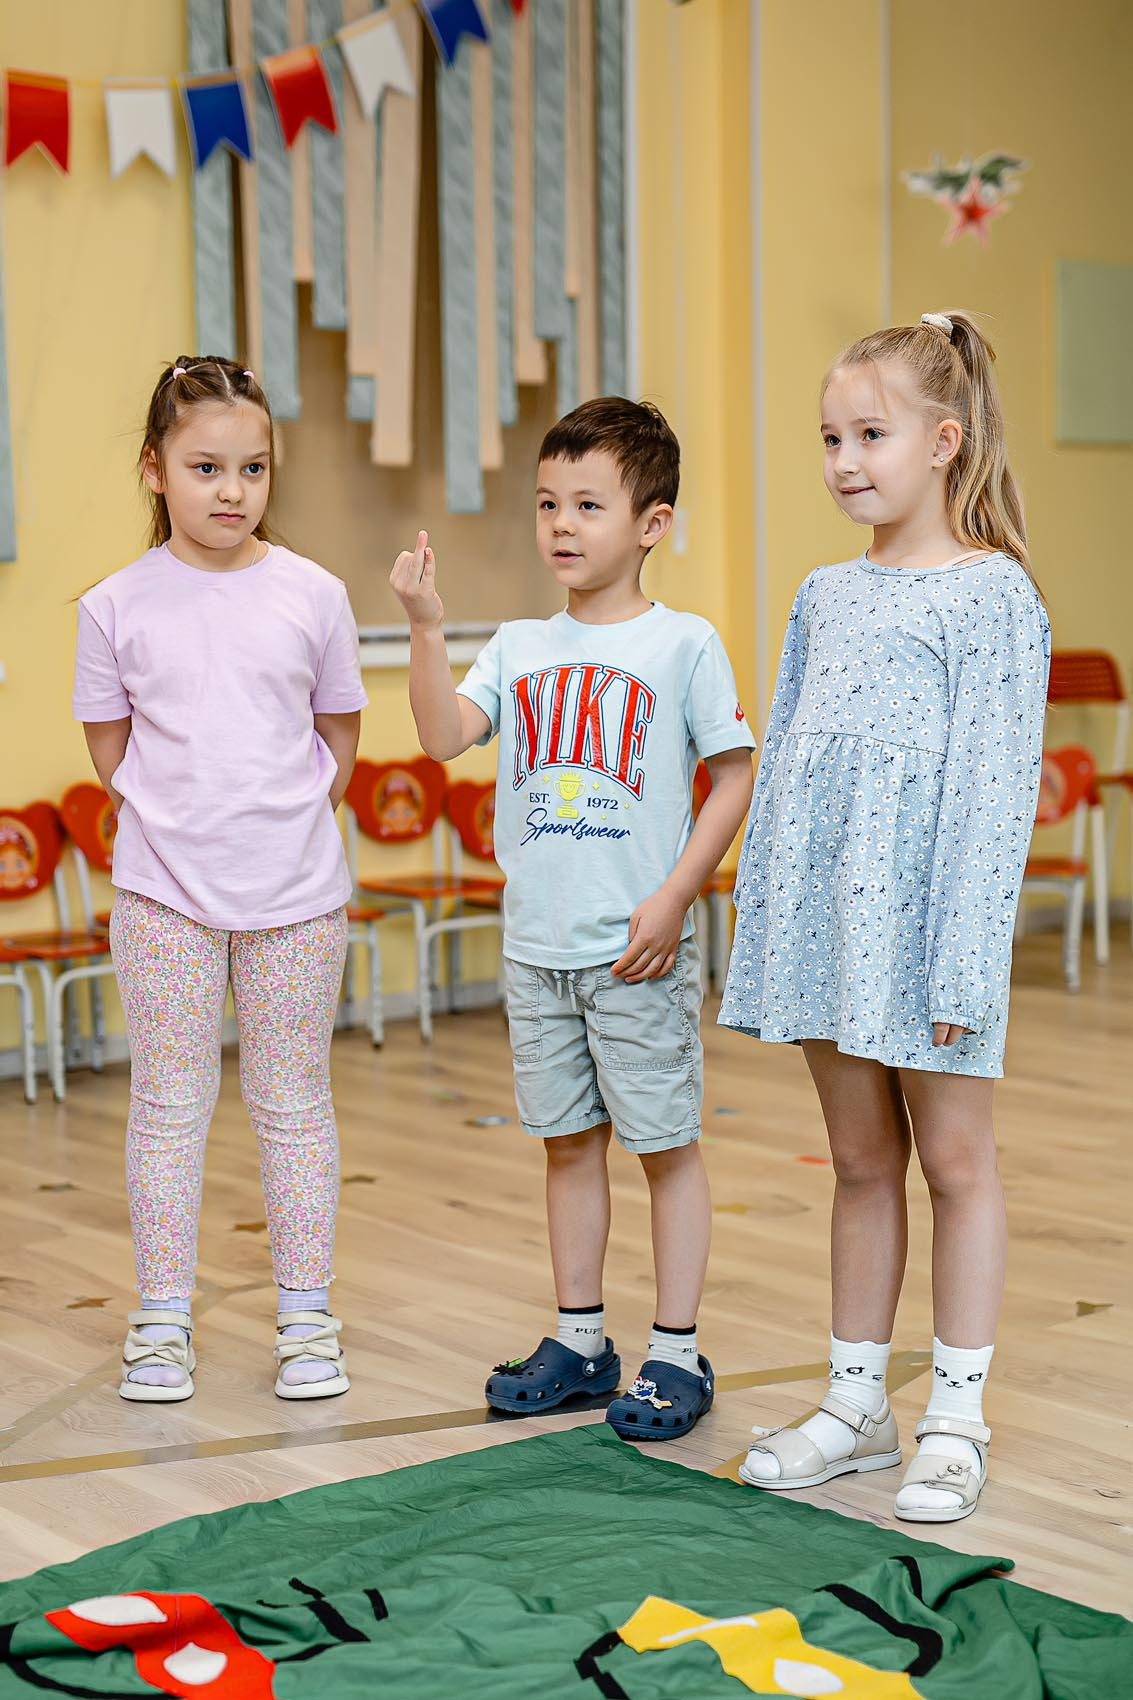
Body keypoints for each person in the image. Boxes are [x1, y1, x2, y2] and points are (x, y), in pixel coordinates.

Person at [721, 312, 1050, 1521]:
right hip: (828, 932)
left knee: (954, 1165)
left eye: (869, 434)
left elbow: (991, 794)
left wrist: (960, 964)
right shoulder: (822, 593)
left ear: (943, 441)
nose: (844, 460)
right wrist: (767, 921)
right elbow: (789, 764)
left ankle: (955, 1416)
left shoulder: (992, 597)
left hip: (927, 938)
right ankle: (856, 1404)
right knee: (859, 1163)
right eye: (829, 438)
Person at [391, 397, 755, 1440]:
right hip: (536, 952)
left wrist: (675, 894)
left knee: (664, 1147)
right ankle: (582, 1341)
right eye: (548, 501)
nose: (561, 522)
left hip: (634, 952)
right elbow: (440, 736)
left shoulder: (683, 644)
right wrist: (425, 627)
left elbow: (733, 775)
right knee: (564, 1146)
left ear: (651, 523)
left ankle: (674, 1352)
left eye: (588, 504)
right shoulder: (517, 644)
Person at [73, 357, 367, 1403]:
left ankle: (307, 1319)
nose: (232, 490)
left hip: (298, 900)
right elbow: (112, 750)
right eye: (205, 467)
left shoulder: (315, 595)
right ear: (155, 469)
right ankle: (160, 1323)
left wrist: (276, 827)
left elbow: (338, 736)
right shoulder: (114, 606)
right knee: (167, 1108)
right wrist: (185, 827)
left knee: (294, 1107)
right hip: (164, 900)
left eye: (253, 467)